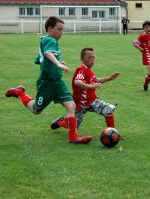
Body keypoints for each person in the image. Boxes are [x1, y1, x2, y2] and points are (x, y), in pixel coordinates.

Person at [5, 16, 92, 144]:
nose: (61, 33)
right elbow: (47, 54)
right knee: (36, 110)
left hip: (58, 82)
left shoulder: (47, 41)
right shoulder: (49, 40)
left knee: (71, 105)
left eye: (62, 30)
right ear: (50, 28)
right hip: (47, 83)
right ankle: (20, 93)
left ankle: (73, 137)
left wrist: (57, 62)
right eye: (59, 29)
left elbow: (39, 59)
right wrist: (58, 64)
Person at [50, 48, 120, 132]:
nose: (92, 60)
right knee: (73, 125)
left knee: (108, 109)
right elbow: (77, 82)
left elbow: (95, 80)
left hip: (92, 100)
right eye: (89, 58)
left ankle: (113, 132)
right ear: (82, 59)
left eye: (93, 58)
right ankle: (59, 122)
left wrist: (110, 78)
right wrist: (92, 86)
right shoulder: (81, 70)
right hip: (80, 104)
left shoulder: (89, 71)